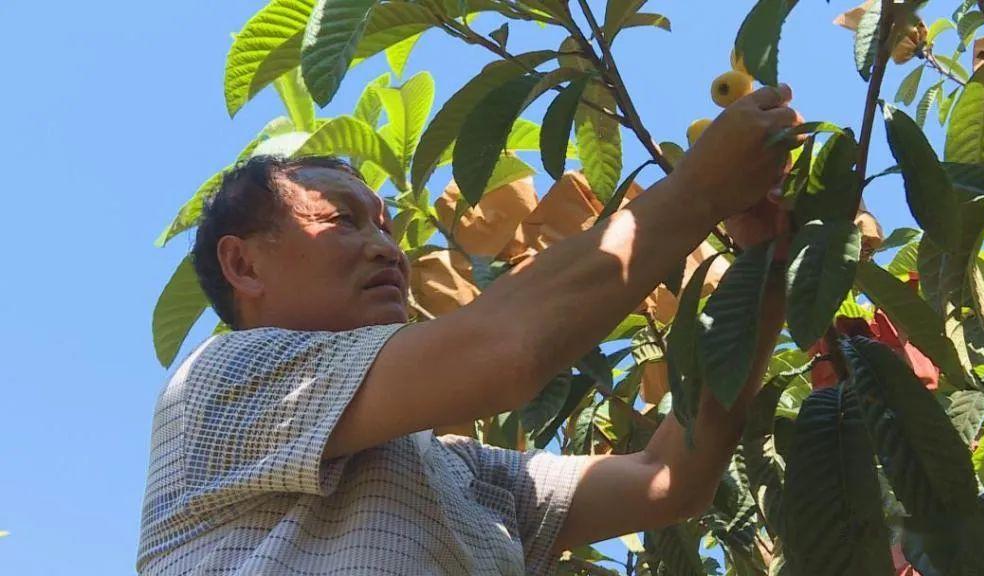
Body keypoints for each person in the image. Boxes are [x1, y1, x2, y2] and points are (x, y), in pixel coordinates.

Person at [136, 84, 802, 575]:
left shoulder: (457, 474)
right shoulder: (221, 384)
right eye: (341, 220)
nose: (386, 249)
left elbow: (668, 479)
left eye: (386, 226)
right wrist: (697, 194)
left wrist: (764, 274)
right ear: (242, 263)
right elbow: (504, 351)